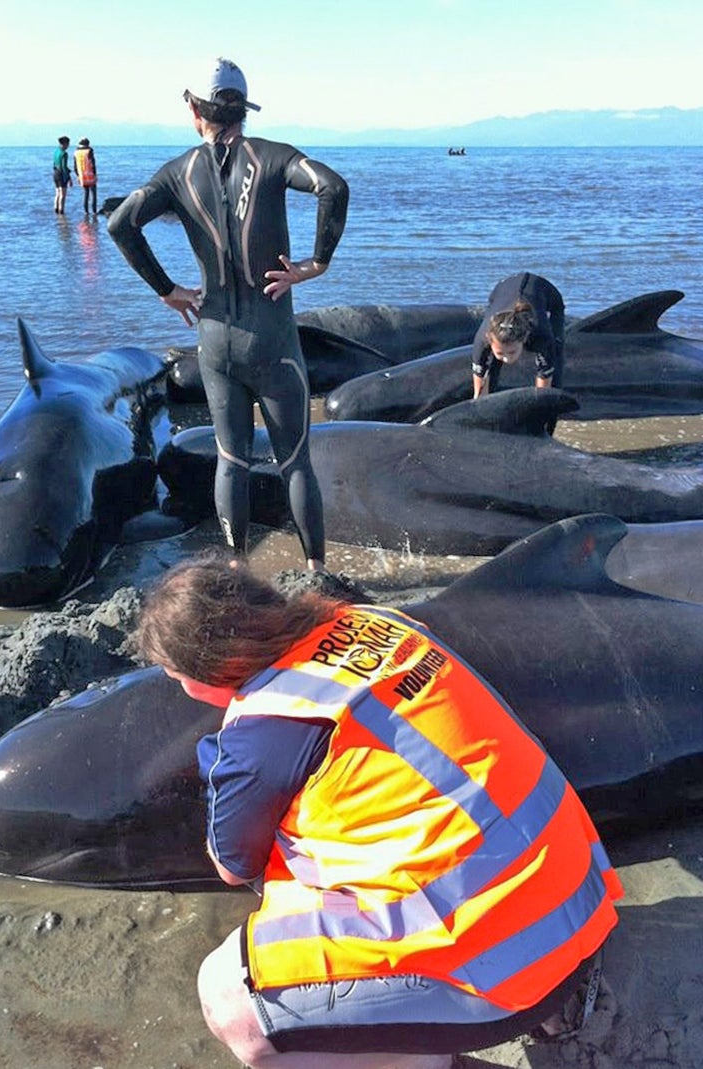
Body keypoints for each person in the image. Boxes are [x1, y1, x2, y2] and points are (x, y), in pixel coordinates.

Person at [135, 557, 624, 1069]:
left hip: (506, 976)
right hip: (578, 905)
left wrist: (226, 764)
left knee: (230, 1000)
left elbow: (232, 866)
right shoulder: (380, 622)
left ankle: (424, 1061)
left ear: (199, 677)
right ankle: (554, 1004)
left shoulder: (265, 727)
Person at [108, 57, 349, 573]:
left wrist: (167, 290)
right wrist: (314, 265)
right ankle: (317, 577)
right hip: (273, 342)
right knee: (295, 462)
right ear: (243, 109)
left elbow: (121, 224)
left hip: (214, 341)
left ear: (195, 109)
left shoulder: (177, 173)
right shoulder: (273, 157)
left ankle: (238, 571)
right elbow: (334, 187)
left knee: (232, 461)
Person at [471, 272, 565, 399]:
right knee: (490, 363)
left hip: (546, 293)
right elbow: (478, 388)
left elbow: (544, 375)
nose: (506, 359)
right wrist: (481, 402)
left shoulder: (540, 333)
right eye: (500, 353)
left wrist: (541, 402)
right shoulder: (482, 339)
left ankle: (557, 398)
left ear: (524, 338)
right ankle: (492, 393)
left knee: (554, 349)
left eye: (511, 352)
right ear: (489, 339)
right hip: (500, 290)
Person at [73, 137, 98, 214]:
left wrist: (77, 175)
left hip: (82, 176)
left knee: (86, 194)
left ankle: (86, 211)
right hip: (90, 175)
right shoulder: (89, 151)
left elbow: (75, 166)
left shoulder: (76, 153)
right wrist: (95, 174)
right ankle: (94, 211)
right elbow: (93, 164)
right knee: (93, 194)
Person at [53, 135, 72, 214]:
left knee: (57, 193)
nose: (68, 146)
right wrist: (68, 178)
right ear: (64, 144)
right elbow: (64, 167)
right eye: (67, 144)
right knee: (63, 195)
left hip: (55, 173)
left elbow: (54, 163)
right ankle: (61, 211)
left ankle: (56, 209)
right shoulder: (64, 154)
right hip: (61, 174)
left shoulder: (56, 151)